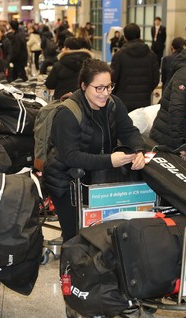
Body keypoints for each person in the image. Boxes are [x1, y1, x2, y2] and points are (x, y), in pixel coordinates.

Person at [43, 59, 145, 242]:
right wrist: (110, 160)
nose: (105, 93)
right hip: (66, 182)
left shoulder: (114, 104)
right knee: (75, 238)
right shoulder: (67, 114)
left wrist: (138, 151)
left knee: (100, 235)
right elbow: (71, 157)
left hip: (98, 179)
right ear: (83, 86)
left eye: (109, 87)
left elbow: (129, 131)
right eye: (98, 88)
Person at [111, 23, 159, 112]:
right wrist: (147, 90)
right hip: (144, 101)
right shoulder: (151, 54)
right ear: (139, 35)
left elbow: (112, 79)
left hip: (122, 101)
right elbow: (156, 78)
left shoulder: (119, 55)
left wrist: (117, 93)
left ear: (125, 37)